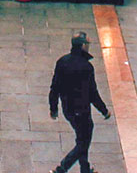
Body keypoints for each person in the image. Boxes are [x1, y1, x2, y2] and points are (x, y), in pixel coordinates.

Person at [47, 31, 110, 173]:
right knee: (83, 142)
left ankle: (85, 169)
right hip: (82, 111)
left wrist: (53, 108)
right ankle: (61, 169)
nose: (89, 46)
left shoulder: (62, 61)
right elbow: (93, 93)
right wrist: (104, 110)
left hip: (68, 109)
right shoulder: (86, 67)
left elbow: (55, 87)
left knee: (82, 137)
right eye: (87, 44)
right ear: (82, 46)